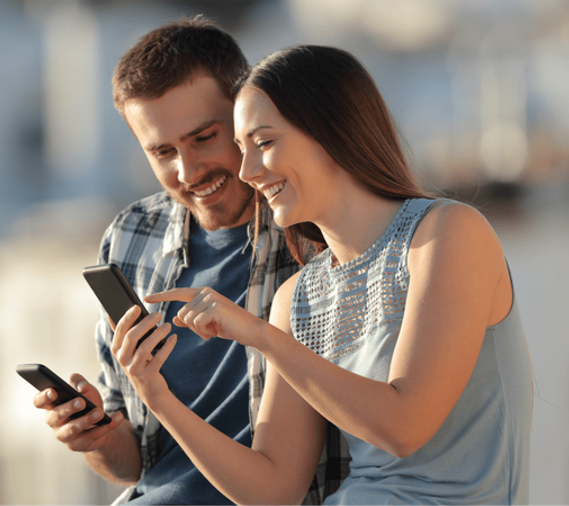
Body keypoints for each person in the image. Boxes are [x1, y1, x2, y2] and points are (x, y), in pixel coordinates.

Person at [112, 45, 533, 504]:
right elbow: (272, 490)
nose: (248, 171)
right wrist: (158, 397)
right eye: (241, 149)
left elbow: (404, 425)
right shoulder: (298, 295)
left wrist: (262, 336)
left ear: (330, 131)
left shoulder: (447, 233)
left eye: (265, 143)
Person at [32, 20, 349, 505]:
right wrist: (96, 437)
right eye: (162, 152)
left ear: (246, 114)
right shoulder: (131, 237)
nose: (188, 171)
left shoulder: (312, 227)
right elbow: (133, 462)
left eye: (204, 137)